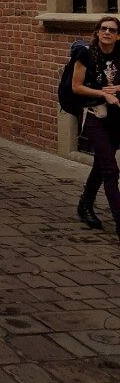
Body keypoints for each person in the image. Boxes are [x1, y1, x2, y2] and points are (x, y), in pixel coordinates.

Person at [71, 15, 120, 237]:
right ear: (98, 32)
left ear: (118, 36)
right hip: (94, 116)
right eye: (103, 29)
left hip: (116, 119)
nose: (107, 32)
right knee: (111, 169)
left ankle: (85, 204)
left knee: (101, 164)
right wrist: (103, 93)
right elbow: (76, 87)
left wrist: (116, 89)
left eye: (112, 30)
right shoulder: (86, 54)